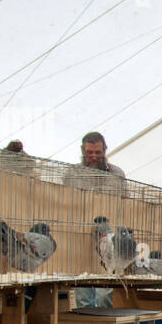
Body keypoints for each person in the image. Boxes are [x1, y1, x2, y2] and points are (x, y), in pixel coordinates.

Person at [70, 131, 126, 309]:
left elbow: (127, 205)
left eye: (97, 152)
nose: (93, 157)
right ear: (82, 151)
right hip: (82, 238)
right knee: (83, 293)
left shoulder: (117, 174)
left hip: (109, 238)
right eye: (89, 153)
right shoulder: (72, 173)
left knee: (105, 293)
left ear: (105, 150)